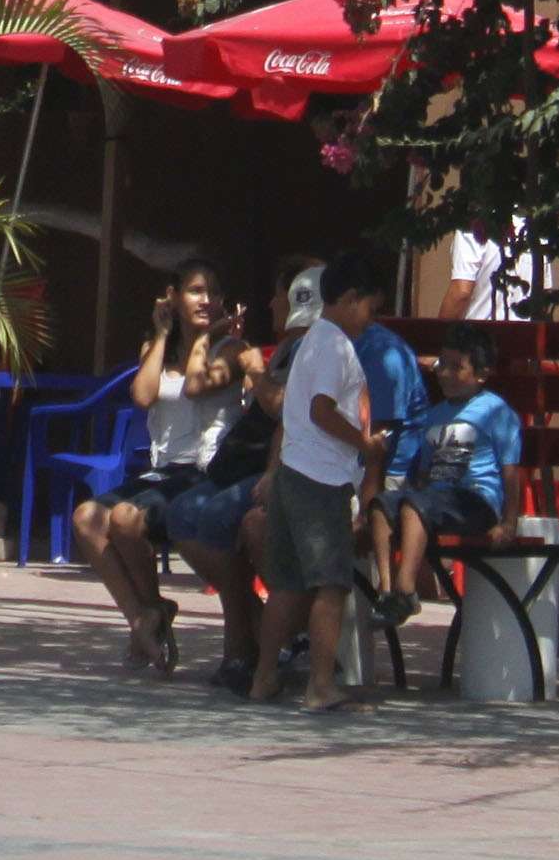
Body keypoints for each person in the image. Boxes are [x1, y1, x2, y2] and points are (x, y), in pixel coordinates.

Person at [70, 266, 268, 675]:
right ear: (173, 297)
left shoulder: (230, 349)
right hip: (163, 472)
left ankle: (154, 613)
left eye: (213, 292)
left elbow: (198, 387)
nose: (206, 300)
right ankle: (144, 615)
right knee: (86, 517)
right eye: (195, 291)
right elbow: (142, 396)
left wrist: (207, 338)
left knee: (125, 519)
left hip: (206, 470)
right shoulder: (156, 347)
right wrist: (161, 334)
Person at [241, 272, 386, 710]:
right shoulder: (333, 345)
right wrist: (364, 444)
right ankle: (321, 685)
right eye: (371, 309)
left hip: (292, 470)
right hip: (320, 477)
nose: (372, 320)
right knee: (330, 584)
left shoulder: (309, 343)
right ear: (349, 297)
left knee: (287, 584)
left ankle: (264, 678)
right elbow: (322, 410)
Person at [369, 325, 524, 619]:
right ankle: (388, 592)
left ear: (481, 373)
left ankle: (406, 589)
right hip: (437, 500)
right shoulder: (434, 415)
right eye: (442, 364)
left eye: (457, 368)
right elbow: (425, 469)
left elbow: (511, 470)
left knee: (418, 504)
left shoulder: (496, 411)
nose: (445, 374)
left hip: (475, 501)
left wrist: (509, 521)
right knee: (382, 504)